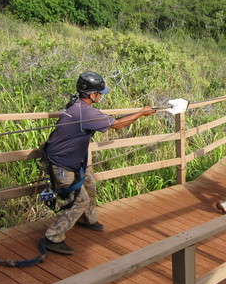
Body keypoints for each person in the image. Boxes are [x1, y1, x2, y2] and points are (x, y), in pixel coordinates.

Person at [41, 71, 156, 255]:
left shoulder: (79, 106)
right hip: (61, 164)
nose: (102, 95)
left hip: (74, 161)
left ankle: (87, 219)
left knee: (90, 183)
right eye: (100, 92)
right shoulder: (85, 111)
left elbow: (108, 121)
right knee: (80, 201)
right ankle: (52, 237)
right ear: (92, 95)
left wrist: (137, 113)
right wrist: (141, 113)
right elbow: (116, 125)